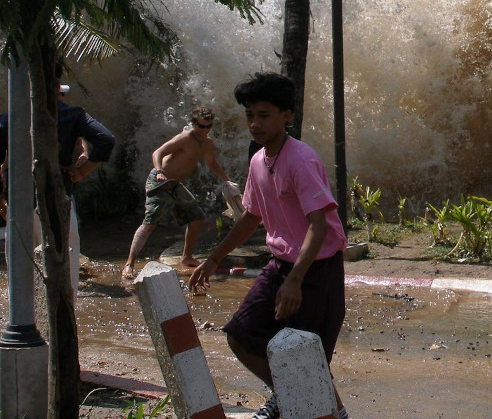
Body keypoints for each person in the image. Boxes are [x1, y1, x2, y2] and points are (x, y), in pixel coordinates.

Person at [189, 73, 350, 419]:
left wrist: (296, 280)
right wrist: (213, 258)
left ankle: (336, 414)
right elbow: (250, 217)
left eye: (264, 115)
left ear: (286, 116)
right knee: (241, 335)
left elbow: (318, 226)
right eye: (250, 115)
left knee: (309, 358)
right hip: (280, 266)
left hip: (315, 269)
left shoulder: (301, 160)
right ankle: (285, 393)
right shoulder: (258, 160)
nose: (254, 124)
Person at [0, 79, 115, 298]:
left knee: (23, 263)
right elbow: (105, 139)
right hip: (58, 197)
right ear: (55, 89)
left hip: (20, 199)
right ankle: (64, 316)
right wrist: (83, 171)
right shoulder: (73, 116)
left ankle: (24, 318)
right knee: (64, 261)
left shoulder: (10, 118)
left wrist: (2, 202)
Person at [122, 106, 233, 279]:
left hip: (175, 185)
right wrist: (159, 171)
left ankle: (186, 257)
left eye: (208, 126)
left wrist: (226, 179)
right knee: (150, 223)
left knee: (196, 218)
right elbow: (158, 152)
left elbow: (211, 163)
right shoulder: (184, 138)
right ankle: (129, 264)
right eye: (201, 126)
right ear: (194, 123)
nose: (205, 130)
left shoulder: (207, 143)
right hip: (160, 181)